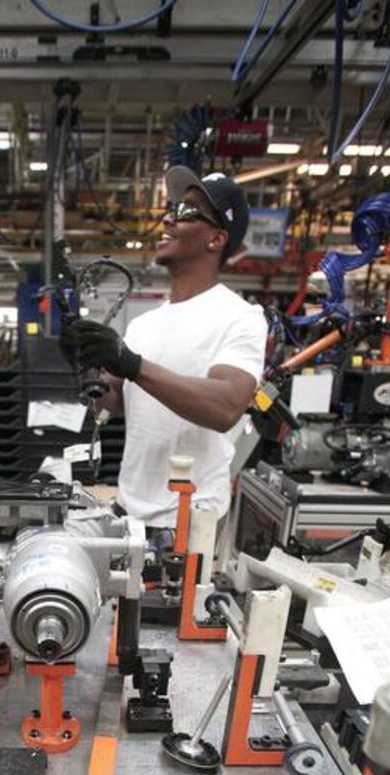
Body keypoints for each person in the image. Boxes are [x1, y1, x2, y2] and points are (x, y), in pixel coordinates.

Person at [63, 167, 267, 530]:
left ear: (216, 238)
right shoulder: (145, 324)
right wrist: (87, 368)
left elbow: (225, 407)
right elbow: (114, 403)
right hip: (130, 511)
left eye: (187, 211)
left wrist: (132, 364)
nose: (169, 218)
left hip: (190, 519)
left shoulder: (240, 317)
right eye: (172, 208)